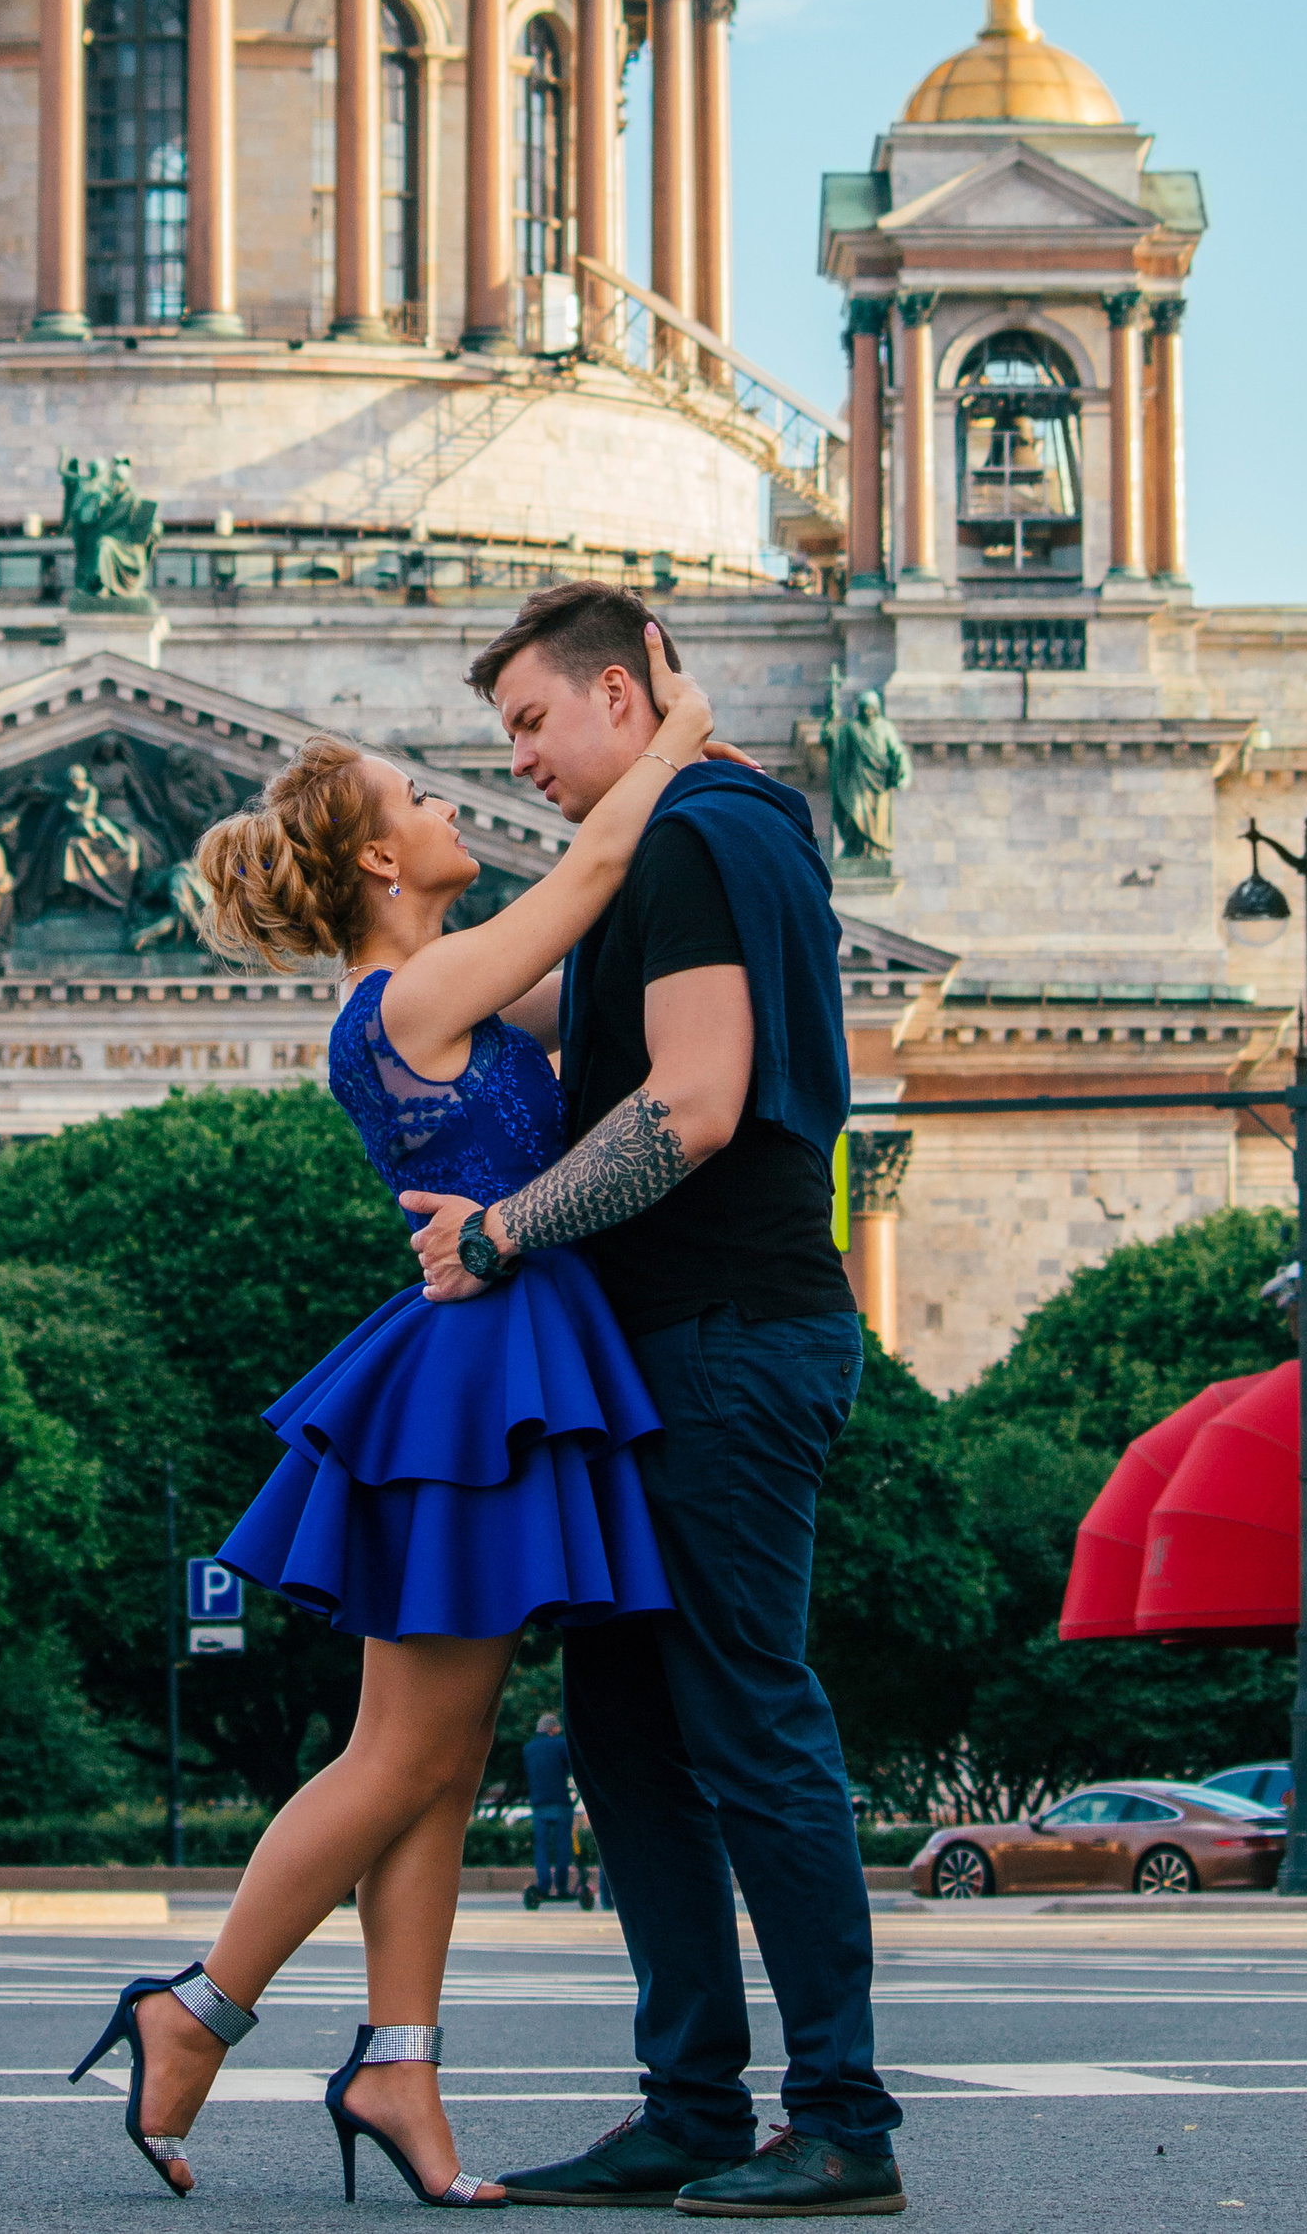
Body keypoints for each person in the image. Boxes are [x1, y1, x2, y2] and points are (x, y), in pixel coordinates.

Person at [70, 625, 716, 2207]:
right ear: (376, 856)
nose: (458, 806)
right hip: (479, 1372)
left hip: (476, 1367)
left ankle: (401, 2068)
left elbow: (602, 979)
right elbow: (596, 873)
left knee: (429, 1750)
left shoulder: (442, 996)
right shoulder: (415, 987)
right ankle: (198, 2007)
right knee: (399, 1756)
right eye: (423, 793)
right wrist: (678, 720)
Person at [407, 581, 905, 2222]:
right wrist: (423, 936)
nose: (524, 761)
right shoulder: (672, 848)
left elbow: (684, 1105)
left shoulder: (701, 834)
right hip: (660, 1351)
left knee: (750, 1721)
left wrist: (499, 1228)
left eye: (536, 723)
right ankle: (690, 2104)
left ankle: (841, 2118)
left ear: (625, 690)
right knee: (625, 1735)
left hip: (724, 1339)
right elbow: (574, 1016)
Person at [522, 1709, 575, 1906]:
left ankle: (543, 1886)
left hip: (538, 1804)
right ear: (553, 1728)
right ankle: (562, 1887)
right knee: (562, 1845)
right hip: (561, 1802)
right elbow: (570, 1768)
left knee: (542, 1847)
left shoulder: (528, 1749)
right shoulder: (561, 1744)